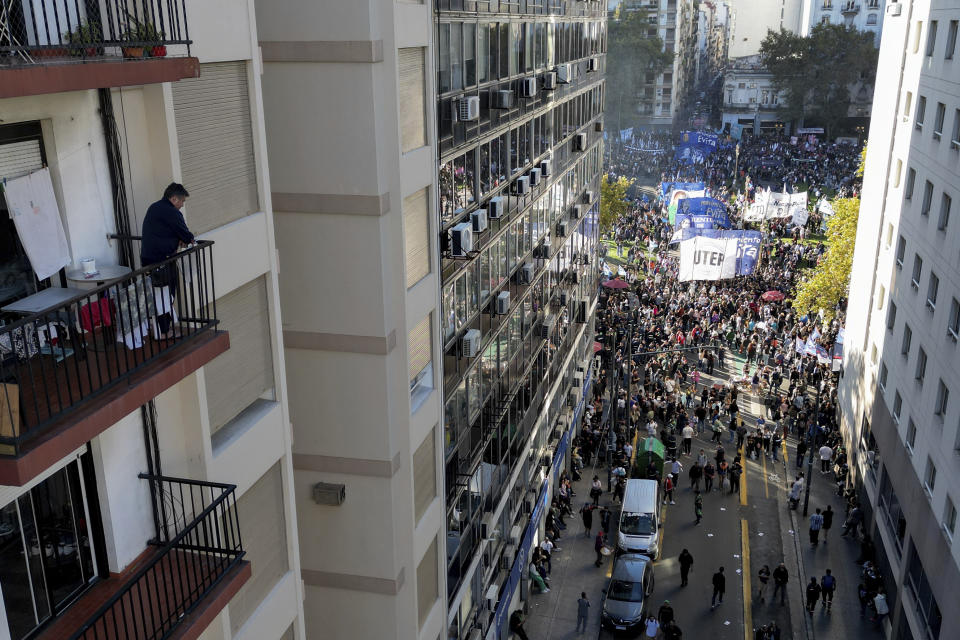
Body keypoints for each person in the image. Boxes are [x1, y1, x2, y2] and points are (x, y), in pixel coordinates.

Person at [141, 183, 194, 339]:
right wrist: (184, 239)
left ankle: (160, 329)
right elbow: (186, 236)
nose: (182, 205)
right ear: (173, 198)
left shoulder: (154, 207)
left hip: (149, 259)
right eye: (182, 201)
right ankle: (163, 332)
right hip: (162, 260)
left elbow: (165, 230)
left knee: (157, 295)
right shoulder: (172, 212)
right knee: (166, 296)